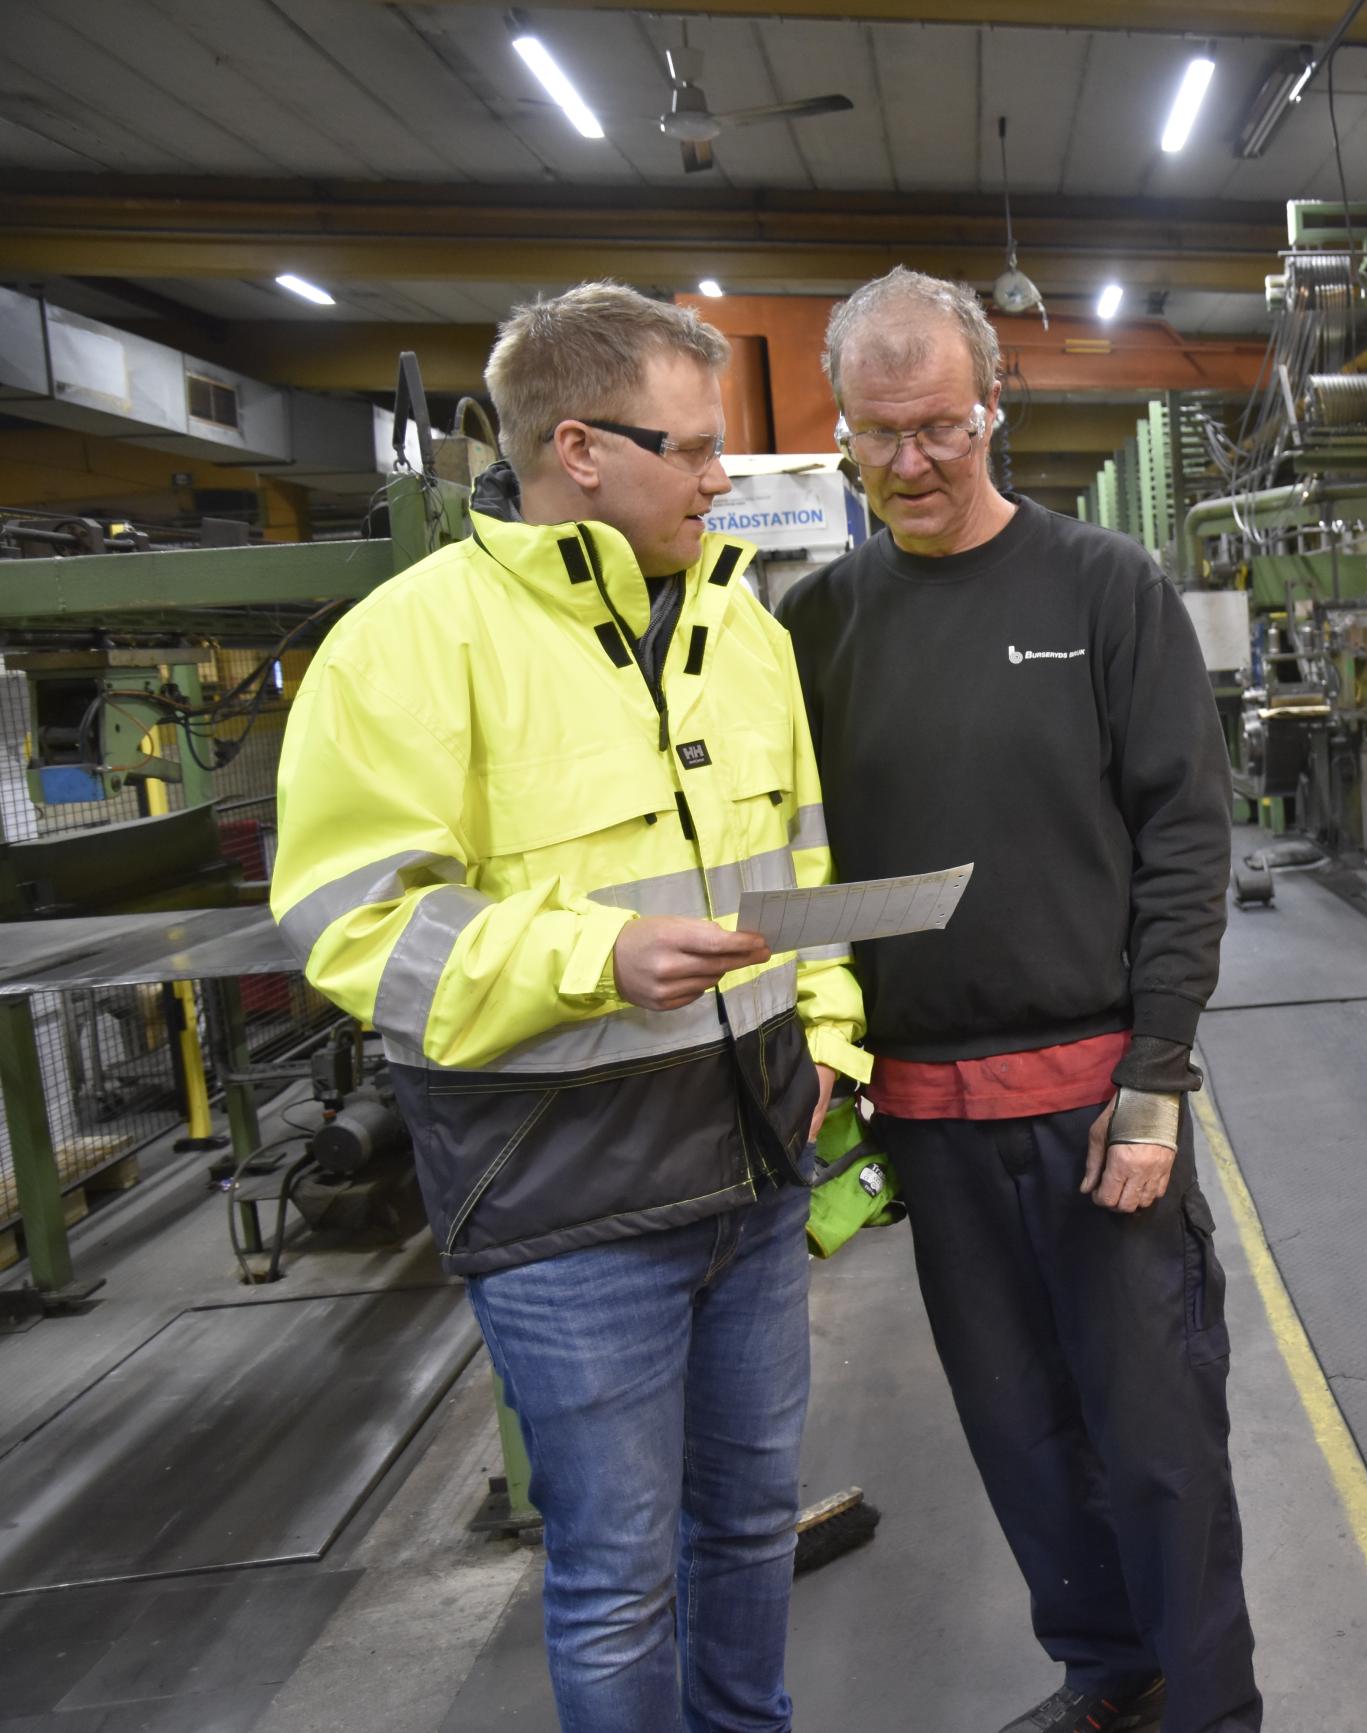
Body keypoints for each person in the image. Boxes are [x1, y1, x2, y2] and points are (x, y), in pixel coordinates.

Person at [270, 281, 872, 1733]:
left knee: (749, 1529)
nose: (721, 478)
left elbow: (799, 867)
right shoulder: (410, 646)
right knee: (617, 1578)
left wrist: (829, 1041)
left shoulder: (744, 630)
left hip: (754, 1173)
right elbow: (354, 923)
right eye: (694, 447)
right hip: (569, 1202)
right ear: (581, 450)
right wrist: (591, 958)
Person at [780, 268, 1249, 1733]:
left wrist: (1157, 1075)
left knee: (1160, 1441)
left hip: (1100, 1102)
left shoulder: (1104, 588)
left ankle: (1214, 1711)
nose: (911, 463)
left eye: (939, 427)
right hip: (930, 1118)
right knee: (1022, 1435)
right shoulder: (814, 624)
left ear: (994, 408)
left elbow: (1186, 837)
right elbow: (792, 857)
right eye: (878, 434)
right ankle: (1112, 1678)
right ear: (843, 430)